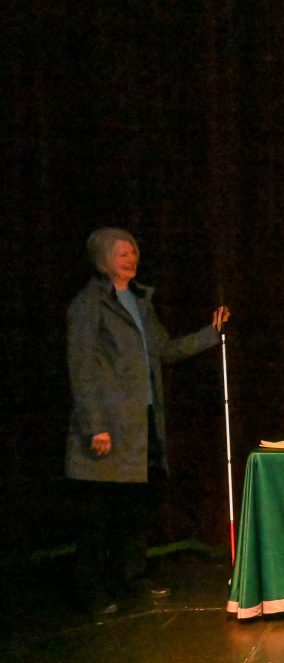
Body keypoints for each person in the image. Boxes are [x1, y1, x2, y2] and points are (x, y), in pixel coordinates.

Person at [66, 227, 230, 616]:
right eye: (121, 253)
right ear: (102, 258)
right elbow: (82, 368)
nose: (130, 258)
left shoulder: (140, 303)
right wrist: (95, 425)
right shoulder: (89, 304)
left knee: (133, 510)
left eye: (134, 252)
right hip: (108, 428)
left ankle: (132, 579)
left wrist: (212, 334)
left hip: (140, 426)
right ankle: (90, 590)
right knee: (97, 515)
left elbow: (165, 351)